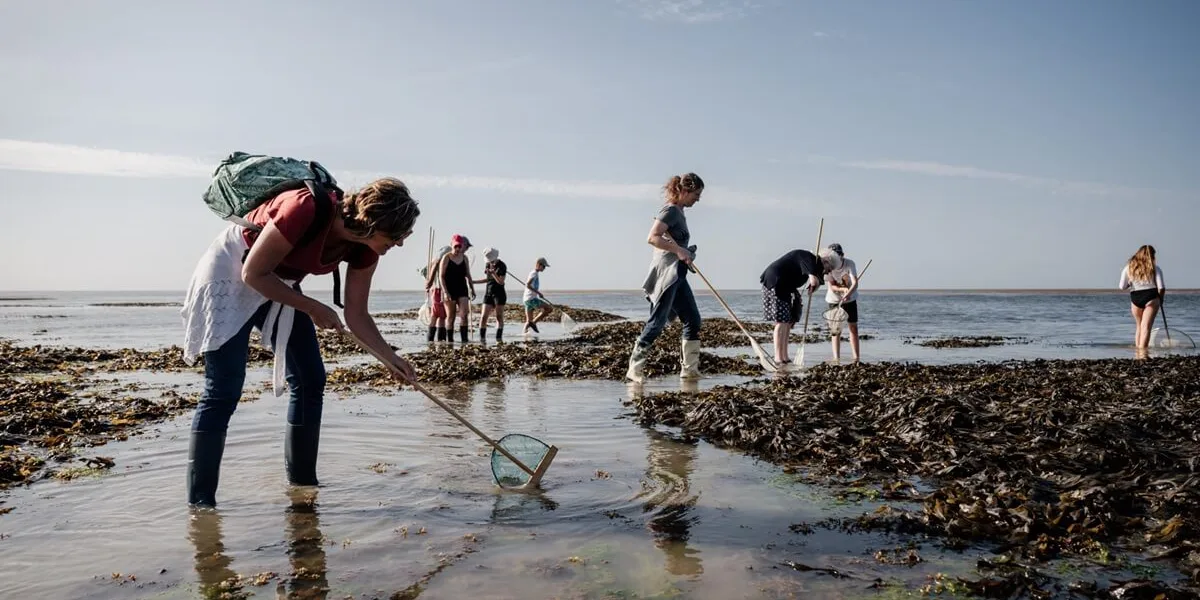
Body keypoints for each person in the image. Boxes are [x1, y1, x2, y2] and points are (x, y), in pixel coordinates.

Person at [180, 177, 419, 509]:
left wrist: (390, 359)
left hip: (280, 282)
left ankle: (303, 486)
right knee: (224, 388)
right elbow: (252, 274)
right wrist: (313, 307)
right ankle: (201, 505)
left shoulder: (366, 248)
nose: (400, 244)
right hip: (233, 270)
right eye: (396, 236)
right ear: (372, 223)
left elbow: (357, 314)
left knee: (310, 378)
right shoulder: (304, 207)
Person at [625, 173, 704, 383]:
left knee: (693, 321)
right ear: (684, 191)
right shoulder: (670, 211)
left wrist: (686, 252)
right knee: (657, 322)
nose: (698, 199)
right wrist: (678, 251)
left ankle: (689, 371)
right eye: (696, 194)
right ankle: (635, 368)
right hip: (667, 275)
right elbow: (652, 237)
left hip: (678, 275)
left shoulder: (679, 212)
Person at [759, 247, 841, 366]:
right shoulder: (809, 259)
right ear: (826, 261)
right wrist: (814, 284)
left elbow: (817, 283)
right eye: (830, 268)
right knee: (781, 322)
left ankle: (784, 356)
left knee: (787, 322)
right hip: (775, 282)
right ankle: (778, 357)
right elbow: (813, 281)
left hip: (786, 288)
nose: (829, 272)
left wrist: (815, 286)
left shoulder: (816, 267)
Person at [1119, 244, 1166, 349]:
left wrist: (1130, 283)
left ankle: (1138, 352)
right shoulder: (1155, 268)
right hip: (1151, 297)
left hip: (1136, 297)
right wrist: (1161, 299)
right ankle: (1143, 353)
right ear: (1152, 255)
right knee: (1146, 327)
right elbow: (1161, 287)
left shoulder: (1128, 268)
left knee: (1139, 326)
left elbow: (1122, 286)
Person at [823, 243, 861, 362]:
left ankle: (856, 358)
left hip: (850, 299)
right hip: (834, 300)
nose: (834, 258)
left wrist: (848, 293)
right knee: (836, 330)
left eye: (837, 255)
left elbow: (855, 283)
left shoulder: (850, 264)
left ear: (842, 255)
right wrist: (842, 289)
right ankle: (836, 358)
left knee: (853, 327)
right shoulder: (827, 266)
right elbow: (832, 286)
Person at [438, 234, 476, 344]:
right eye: (455, 247)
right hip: (449, 289)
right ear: (452, 245)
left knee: (464, 314)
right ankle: (450, 340)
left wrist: (472, 288)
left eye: (459, 247)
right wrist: (445, 292)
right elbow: (441, 276)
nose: (457, 249)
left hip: (462, 288)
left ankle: (464, 340)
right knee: (451, 316)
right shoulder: (446, 257)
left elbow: (468, 274)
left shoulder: (464, 258)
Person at [474, 247, 508, 342]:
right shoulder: (487, 264)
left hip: (499, 294)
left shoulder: (502, 266)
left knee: (499, 316)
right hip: (488, 293)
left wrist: (493, 273)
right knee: (483, 316)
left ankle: (498, 338)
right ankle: (482, 339)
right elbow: (488, 280)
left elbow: (501, 282)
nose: (491, 262)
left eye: (492, 260)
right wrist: (474, 282)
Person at [423, 245, 451, 342]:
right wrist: (429, 284)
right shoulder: (438, 263)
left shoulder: (434, 263)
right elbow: (428, 277)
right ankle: (435, 339)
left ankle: (436, 340)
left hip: (438, 290)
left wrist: (428, 284)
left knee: (440, 315)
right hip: (438, 290)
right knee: (437, 315)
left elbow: (424, 273)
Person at [522, 257, 552, 334]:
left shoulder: (534, 273)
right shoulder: (534, 273)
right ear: (539, 265)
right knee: (549, 308)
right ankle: (534, 323)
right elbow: (528, 285)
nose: (544, 268)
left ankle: (524, 336)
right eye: (544, 266)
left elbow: (528, 285)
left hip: (526, 299)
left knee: (528, 321)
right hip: (531, 299)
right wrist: (539, 293)